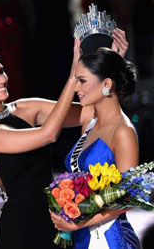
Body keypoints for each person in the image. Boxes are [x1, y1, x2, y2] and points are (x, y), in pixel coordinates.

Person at [0, 29, 127, 249]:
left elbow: (93, 111)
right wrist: (73, 77)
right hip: (20, 232)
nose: (3, 79)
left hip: (56, 226)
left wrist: (112, 69)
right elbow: (48, 135)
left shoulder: (27, 108)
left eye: (2, 71)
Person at [50, 47, 141, 249]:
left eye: (82, 81)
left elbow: (128, 197)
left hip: (108, 238)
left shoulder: (123, 132)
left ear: (106, 84)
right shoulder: (89, 124)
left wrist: (79, 221)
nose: (77, 88)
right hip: (80, 235)